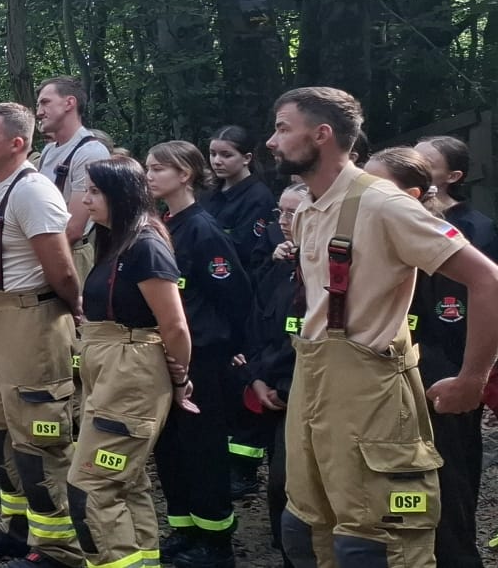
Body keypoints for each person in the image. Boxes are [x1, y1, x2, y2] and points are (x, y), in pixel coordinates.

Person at [266, 87, 498, 568]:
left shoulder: (384, 204)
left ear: (322, 134)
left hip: (372, 393)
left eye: (283, 128)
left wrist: (472, 378)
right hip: (313, 384)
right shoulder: (308, 209)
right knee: (306, 530)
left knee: (374, 544)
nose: (271, 141)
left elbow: (488, 280)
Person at [0, 104, 83, 568]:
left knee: (39, 433)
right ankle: (18, 526)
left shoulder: (33, 191)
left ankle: (60, 546)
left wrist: (74, 311)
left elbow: (61, 269)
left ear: (17, 143)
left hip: (30, 322)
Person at [66, 157, 196, 568]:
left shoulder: (145, 246)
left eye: (95, 192)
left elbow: (174, 325)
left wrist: (180, 378)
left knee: (91, 487)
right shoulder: (115, 241)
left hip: (130, 372)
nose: (86, 201)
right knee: (127, 482)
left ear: (121, 196)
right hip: (109, 367)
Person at [147, 140, 253, 568]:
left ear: (184, 175)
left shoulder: (203, 229)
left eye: (158, 168)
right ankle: (184, 526)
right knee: (171, 445)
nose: (149, 176)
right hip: (166, 352)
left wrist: (231, 348)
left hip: (202, 356)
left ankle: (216, 540)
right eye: (148, 168)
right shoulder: (164, 223)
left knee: (203, 446)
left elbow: (235, 295)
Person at [403, 139, 495, 568]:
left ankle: (459, 556)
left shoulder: (474, 229)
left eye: (427, 161)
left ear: (453, 177)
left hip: (448, 365)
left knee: (451, 471)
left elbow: (477, 299)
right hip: (398, 363)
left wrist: (469, 373)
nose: (415, 163)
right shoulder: (401, 218)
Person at [238, 184, 307, 568]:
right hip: (272, 389)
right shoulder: (277, 267)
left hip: (309, 394)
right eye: (280, 212)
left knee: (292, 480)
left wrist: (289, 387)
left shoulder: (331, 269)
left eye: (293, 213)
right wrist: (256, 378)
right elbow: (257, 326)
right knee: (278, 483)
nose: (283, 221)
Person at [36, 77, 109, 280]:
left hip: (71, 256)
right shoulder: (49, 151)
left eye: (45, 102)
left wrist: (32, 262)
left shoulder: (90, 152)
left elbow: (74, 229)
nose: (39, 112)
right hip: (48, 252)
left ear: (69, 103)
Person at [205, 125, 279, 276]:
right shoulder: (208, 192)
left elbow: (245, 248)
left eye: (226, 155)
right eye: (213, 154)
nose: (217, 161)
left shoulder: (258, 197)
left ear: (246, 158)